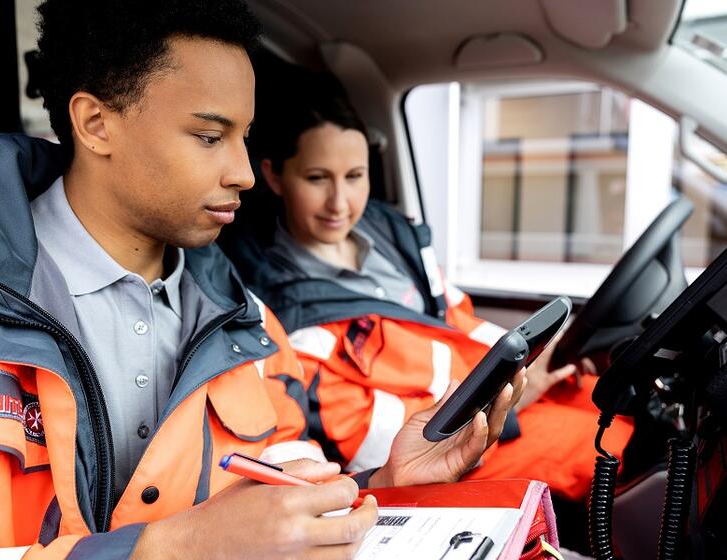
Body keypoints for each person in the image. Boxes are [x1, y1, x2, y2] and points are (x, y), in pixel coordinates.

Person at [0, 2, 525, 559]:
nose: (244, 174)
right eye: (209, 136)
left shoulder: (251, 328)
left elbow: (282, 507)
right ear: (96, 124)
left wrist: (383, 487)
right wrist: (172, 549)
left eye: (245, 137)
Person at [228, 89, 634, 503]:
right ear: (275, 177)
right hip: (450, 452)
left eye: (354, 176)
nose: (340, 203)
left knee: (613, 403)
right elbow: (366, 441)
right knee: (618, 450)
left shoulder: (392, 234)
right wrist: (505, 406)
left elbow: (456, 318)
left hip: (488, 398)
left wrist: (533, 361)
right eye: (317, 178)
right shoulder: (283, 312)